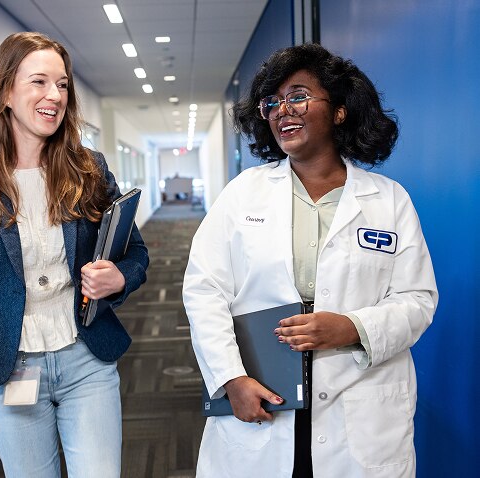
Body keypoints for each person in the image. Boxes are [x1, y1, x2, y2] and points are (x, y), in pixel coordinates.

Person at [183, 43, 437, 478]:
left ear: (339, 110)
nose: (283, 110)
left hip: (358, 400)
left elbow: (418, 299)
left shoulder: (389, 200)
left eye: (298, 95)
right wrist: (230, 379)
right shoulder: (244, 193)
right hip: (263, 390)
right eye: (272, 102)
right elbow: (205, 290)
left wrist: (352, 327)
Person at [0, 32, 148, 478]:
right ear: (5, 92)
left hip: (86, 357)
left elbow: (135, 253)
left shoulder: (89, 169)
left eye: (62, 84)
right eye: (40, 82)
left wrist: (118, 278)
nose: (55, 96)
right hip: (12, 367)